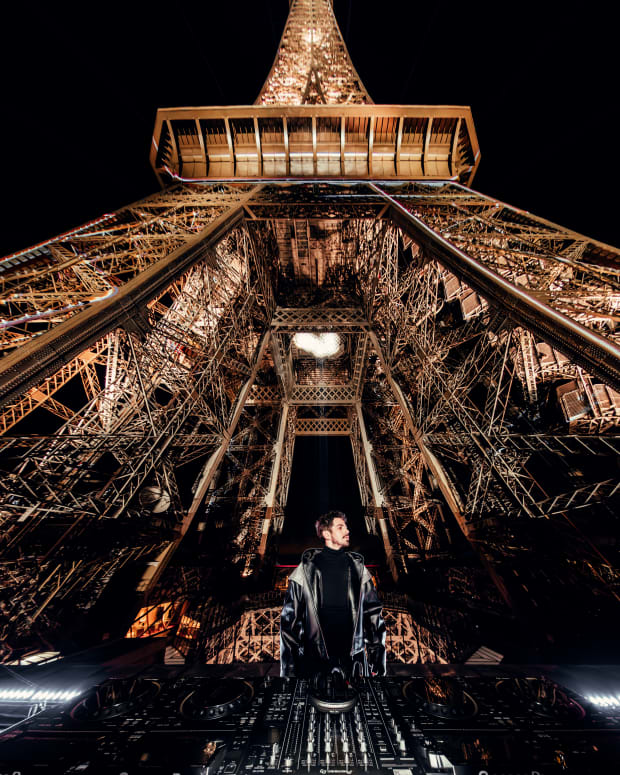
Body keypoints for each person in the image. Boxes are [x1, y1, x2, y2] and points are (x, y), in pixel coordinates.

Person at [280, 510, 386, 679]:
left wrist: (378, 661)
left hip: (353, 661)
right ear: (326, 533)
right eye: (340, 527)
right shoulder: (302, 572)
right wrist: (289, 670)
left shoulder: (360, 570)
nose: (347, 531)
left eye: (346, 527)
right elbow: (289, 625)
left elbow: (374, 617)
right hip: (314, 661)